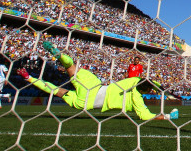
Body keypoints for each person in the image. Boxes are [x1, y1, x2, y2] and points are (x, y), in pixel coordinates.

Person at [16, 42, 179, 121]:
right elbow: (146, 116)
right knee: (57, 91)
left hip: (93, 86)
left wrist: (159, 88)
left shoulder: (133, 80)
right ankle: (29, 77)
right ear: (146, 91)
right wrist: (168, 117)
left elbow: (147, 82)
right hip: (86, 103)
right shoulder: (136, 99)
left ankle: (59, 56)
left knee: (71, 67)